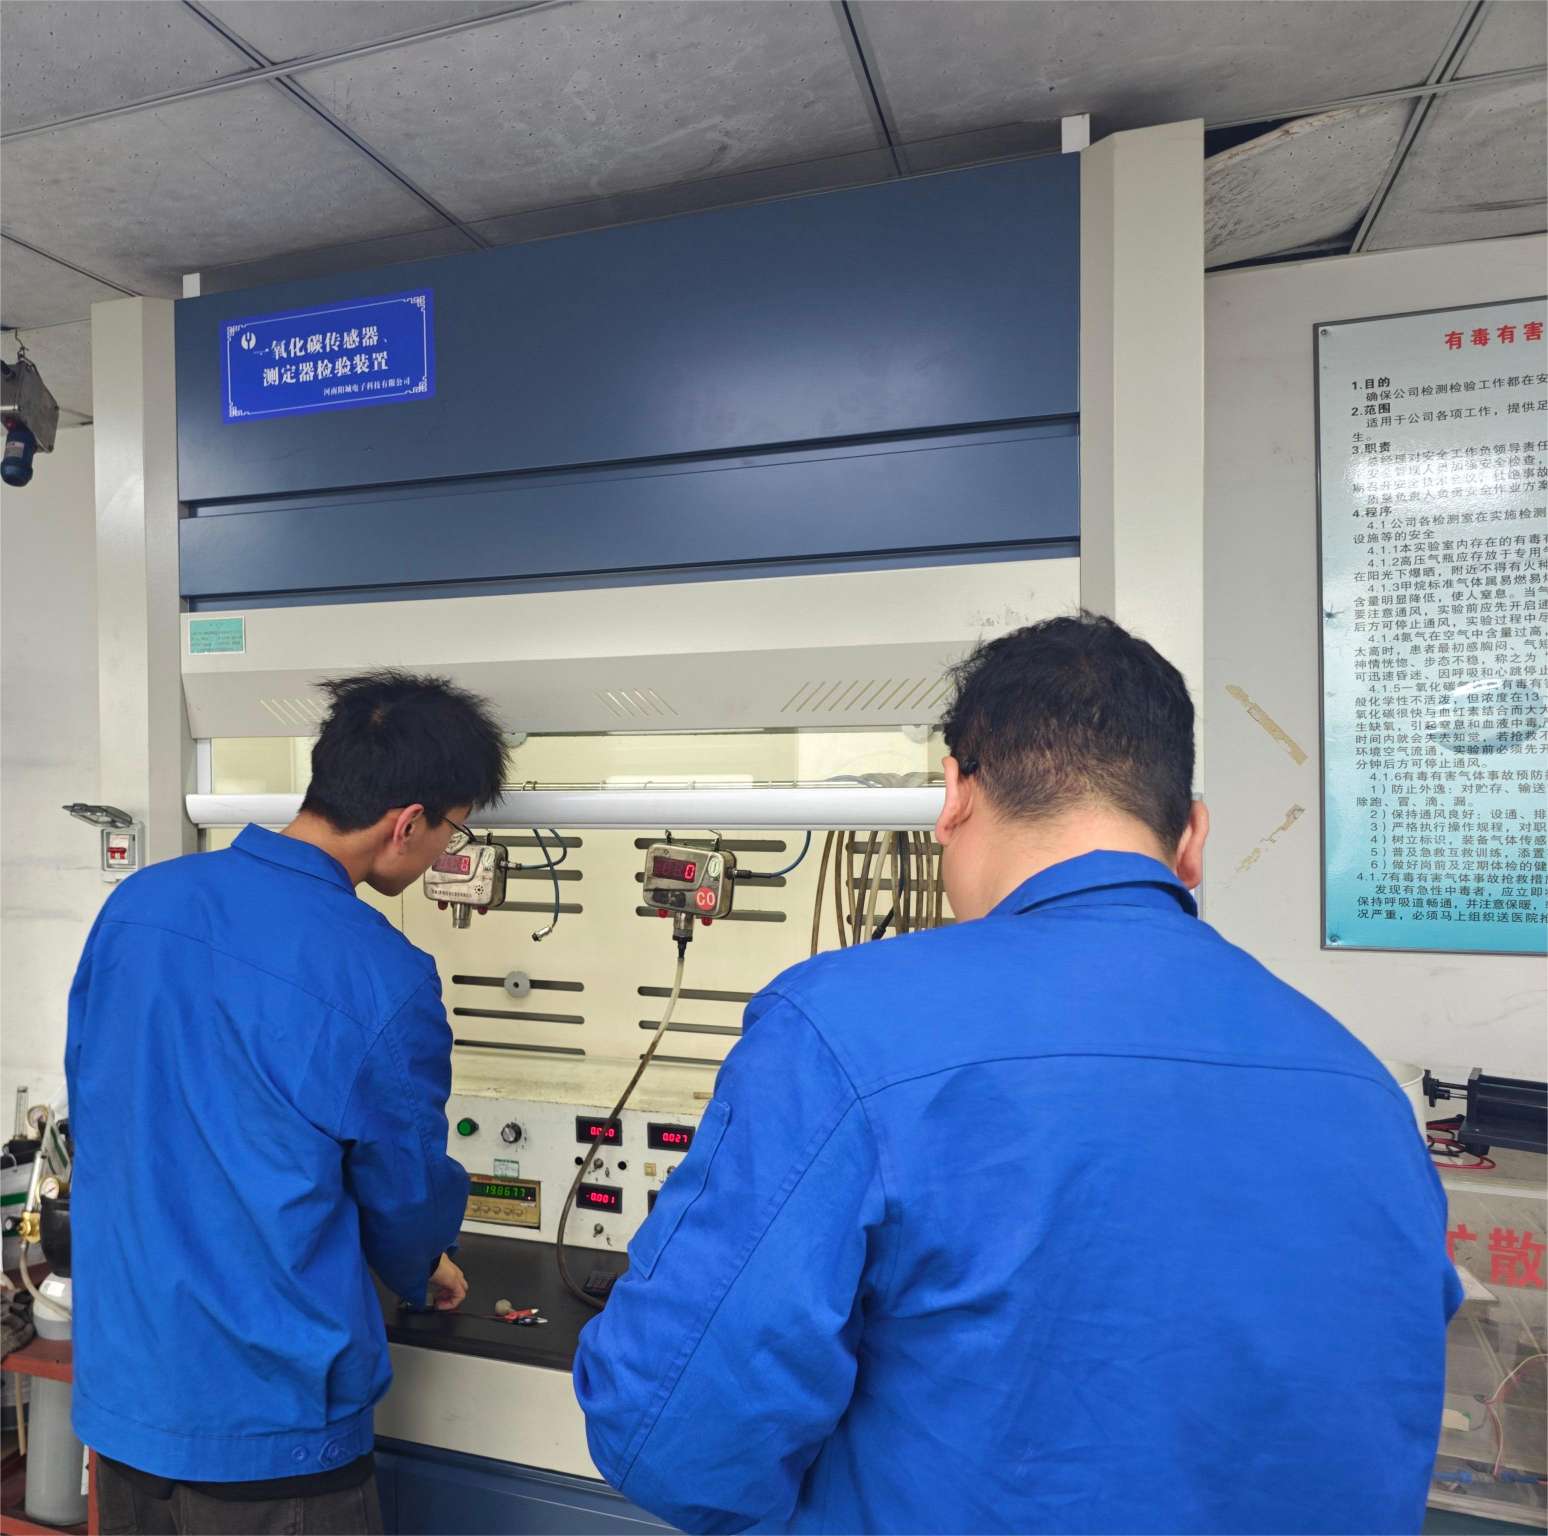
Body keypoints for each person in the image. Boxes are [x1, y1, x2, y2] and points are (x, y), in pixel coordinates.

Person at [574, 613, 1460, 1535]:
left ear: (954, 796)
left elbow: (674, 1435)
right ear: (1192, 839)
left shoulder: (841, 1030)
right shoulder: (1364, 1089)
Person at [67, 670, 506, 1535]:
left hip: (127, 1398)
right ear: (407, 823)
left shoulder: (141, 904)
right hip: (273, 1428)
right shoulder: (382, 974)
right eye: (453, 830)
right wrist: (425, 1265)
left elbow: (97, 1100)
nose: (443, 853)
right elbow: (404, 1190)